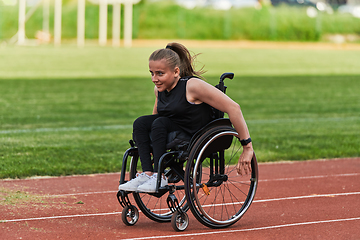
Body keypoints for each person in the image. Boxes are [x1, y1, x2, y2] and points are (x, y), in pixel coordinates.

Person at [119, 42, 253, 193]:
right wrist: (151, 143)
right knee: (141, 123)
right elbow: (155, 117)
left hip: (195, 134)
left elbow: (234, 107)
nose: (154, 79)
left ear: (176, 72)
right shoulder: (159, 90)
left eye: (160, 73)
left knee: (160, 124)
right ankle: (147, 174)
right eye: (152, 73)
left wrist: (247, 147)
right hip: (173, 129)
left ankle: (159, 177)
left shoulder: (192, 86)